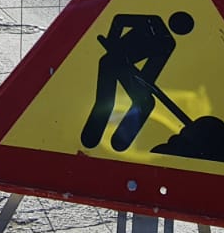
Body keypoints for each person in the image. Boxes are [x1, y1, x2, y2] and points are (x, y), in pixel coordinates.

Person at [80, 9, 194, 152]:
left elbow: (152, 69)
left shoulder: (167, 43)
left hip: (123, 61)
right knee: (107, 74)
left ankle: (122, 138)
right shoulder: (151, 21)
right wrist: (113, 41)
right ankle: (93, 132)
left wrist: (143, 83)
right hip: (115, 56)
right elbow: (119, 19)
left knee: (144, 101)